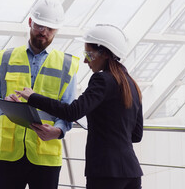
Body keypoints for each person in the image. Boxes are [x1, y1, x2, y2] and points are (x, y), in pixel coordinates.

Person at [15, 24, 143, 189]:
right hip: (131, 172)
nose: (85, 60)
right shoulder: (131, 83)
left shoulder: (102, 79)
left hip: (106, 172)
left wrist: (33, 97)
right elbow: (136, 135)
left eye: (88, 54)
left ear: (104, 53)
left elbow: (72, 112)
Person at [0, 0, 79, 189]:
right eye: (40, 26)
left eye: (50, 29)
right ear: (30, 22)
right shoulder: (6, 58)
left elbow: (69, 109)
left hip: (46, 156)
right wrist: (3, 104)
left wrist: (58, 131)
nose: (44, 32)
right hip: (9, 154)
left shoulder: (67, 65)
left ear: (56, 30)